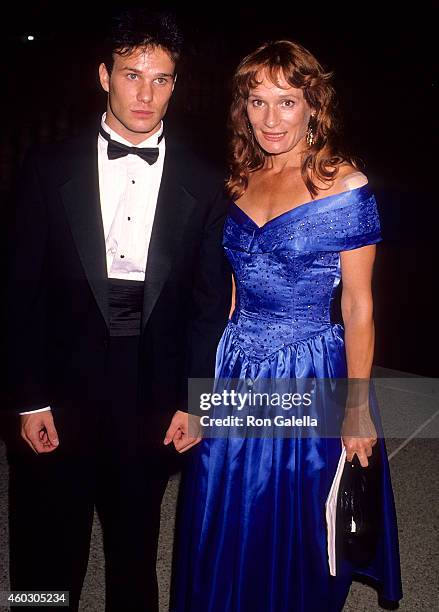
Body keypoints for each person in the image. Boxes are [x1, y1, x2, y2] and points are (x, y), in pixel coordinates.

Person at [4, 9, 231, 612]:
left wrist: (196, 399)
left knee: (135, 554)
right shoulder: (46, 168)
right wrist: (29, 397)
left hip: (151, 391)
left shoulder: (206, 182)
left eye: (161, 79)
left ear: (176, 84)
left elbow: (209, 305)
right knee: (45, 553)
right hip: (60, 379)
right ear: (104, 75)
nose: (146, 93)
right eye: (133, 75)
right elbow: (19, 292)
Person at [171, 40, 402, 611]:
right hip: (234, 365)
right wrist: (197, 387)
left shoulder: (345, 185)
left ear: (313, 105)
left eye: (286, 101)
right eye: (256, 102)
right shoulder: (237, 179)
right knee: (221, 509)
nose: (270, 119)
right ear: (242, 109)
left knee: (297, 518)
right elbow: (227, 292)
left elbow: (358, 307)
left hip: (307, 368)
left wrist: (355, 406)